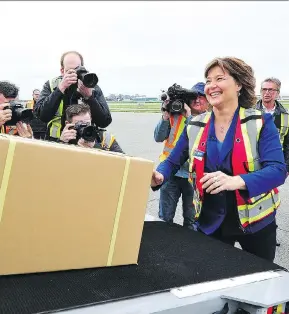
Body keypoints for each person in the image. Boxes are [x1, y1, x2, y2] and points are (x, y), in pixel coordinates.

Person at [151, 57, 287, 262]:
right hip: (210, 220)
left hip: (255, 222)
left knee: (259, 281)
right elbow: (171, 161)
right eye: (208, 80)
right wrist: (160, 175)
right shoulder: (194, 124)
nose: (211, 86)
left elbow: (277, 170)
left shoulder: (261, 122)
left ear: (239, 84)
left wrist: (237, 181)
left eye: (220, 78)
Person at [154, 83, 209, 228]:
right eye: (194, 97)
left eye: (201, 97)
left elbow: (197, 138)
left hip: (194, 175)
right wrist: (165, 115)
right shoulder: (175, 115)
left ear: (208, 100)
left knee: (191, 220)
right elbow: (158, 137)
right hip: (170, 172)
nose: (197, 100)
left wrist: (189, 116)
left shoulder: (211, 119)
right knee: (164, 217)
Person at [34, 51, 112, 142]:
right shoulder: (52, 85)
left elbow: (104, 122)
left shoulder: (91, 86)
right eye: (70, 71)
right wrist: (60, 89)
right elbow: (42, 116)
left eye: (77, 69)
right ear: (62, 71)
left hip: (85, 141)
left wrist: (89, 97)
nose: (74, 74)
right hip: (57, 141)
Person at [59, 103, 124, 153]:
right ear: (68, 124)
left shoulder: (105, 139)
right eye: (79, 125)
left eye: (87, 124)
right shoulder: (64, 139)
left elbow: (123, 163)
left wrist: (96, 148)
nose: (84, 128)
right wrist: (62, 144)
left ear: (91, 120)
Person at [255, 78, 289, 172]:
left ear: (278, 93)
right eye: (264, 89)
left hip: (276, 163)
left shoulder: (286, 115)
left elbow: (287, 144)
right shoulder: (249, 113)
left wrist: (287, 167)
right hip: (254, 163)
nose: (266, 92)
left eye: (270, 90)